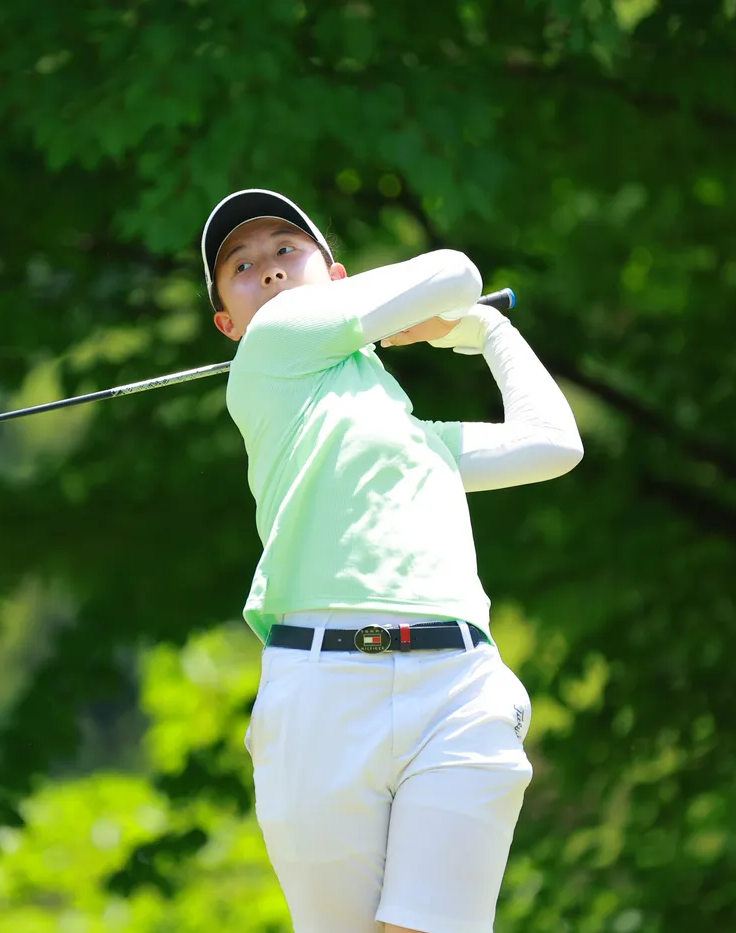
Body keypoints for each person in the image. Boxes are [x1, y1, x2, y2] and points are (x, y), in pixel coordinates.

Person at [199, 189, 584, 933]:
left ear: (337, 277)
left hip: (458, 687)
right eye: (241, 266)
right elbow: (455, 270)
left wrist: (488, 330)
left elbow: (552, 443)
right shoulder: (272, 340)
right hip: (322, 692)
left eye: (287, 250)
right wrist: (445, 317)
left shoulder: (415, 438)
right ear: (229, 325)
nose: (269, 270)